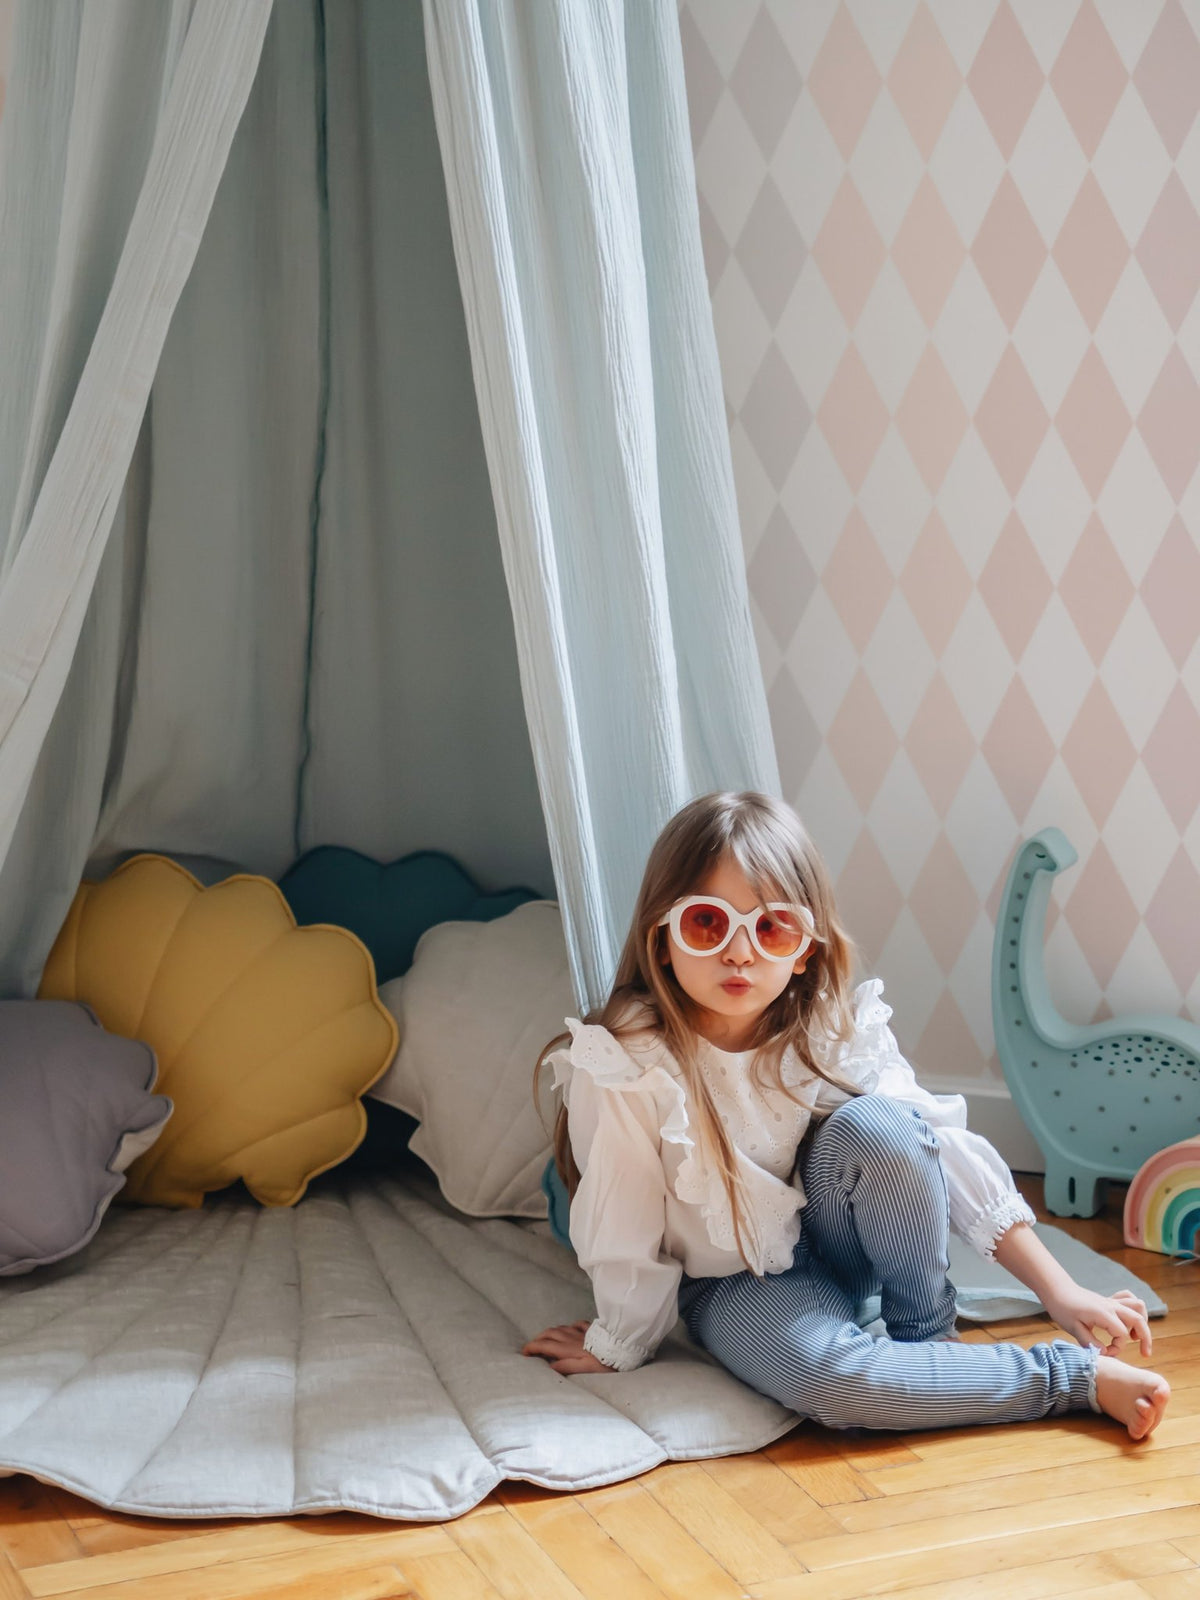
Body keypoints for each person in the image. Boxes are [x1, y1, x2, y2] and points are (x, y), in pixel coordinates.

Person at [522, 791, 1170, 1440]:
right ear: (662, 939)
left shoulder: (833, 1028)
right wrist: (619, 1339)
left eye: (771, 927)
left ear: (805, 949)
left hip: (840, 1239)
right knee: (832, 1383)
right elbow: (625, 1211)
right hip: (735, 1280)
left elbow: (940, 1150)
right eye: (708, 924)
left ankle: (927, 1339)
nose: (740, 953)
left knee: (883, 1126)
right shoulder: (629, 1060)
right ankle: (1069, 1378)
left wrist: (1059, 1291)